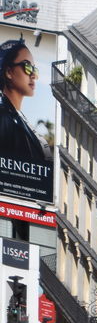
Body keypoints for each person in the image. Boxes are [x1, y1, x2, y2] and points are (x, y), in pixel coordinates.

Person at [0, 40, 52, 204]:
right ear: (9, 72)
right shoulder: (4, 118)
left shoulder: (16, 116)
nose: (34, 75)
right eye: (27, 67)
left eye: (34, 69)